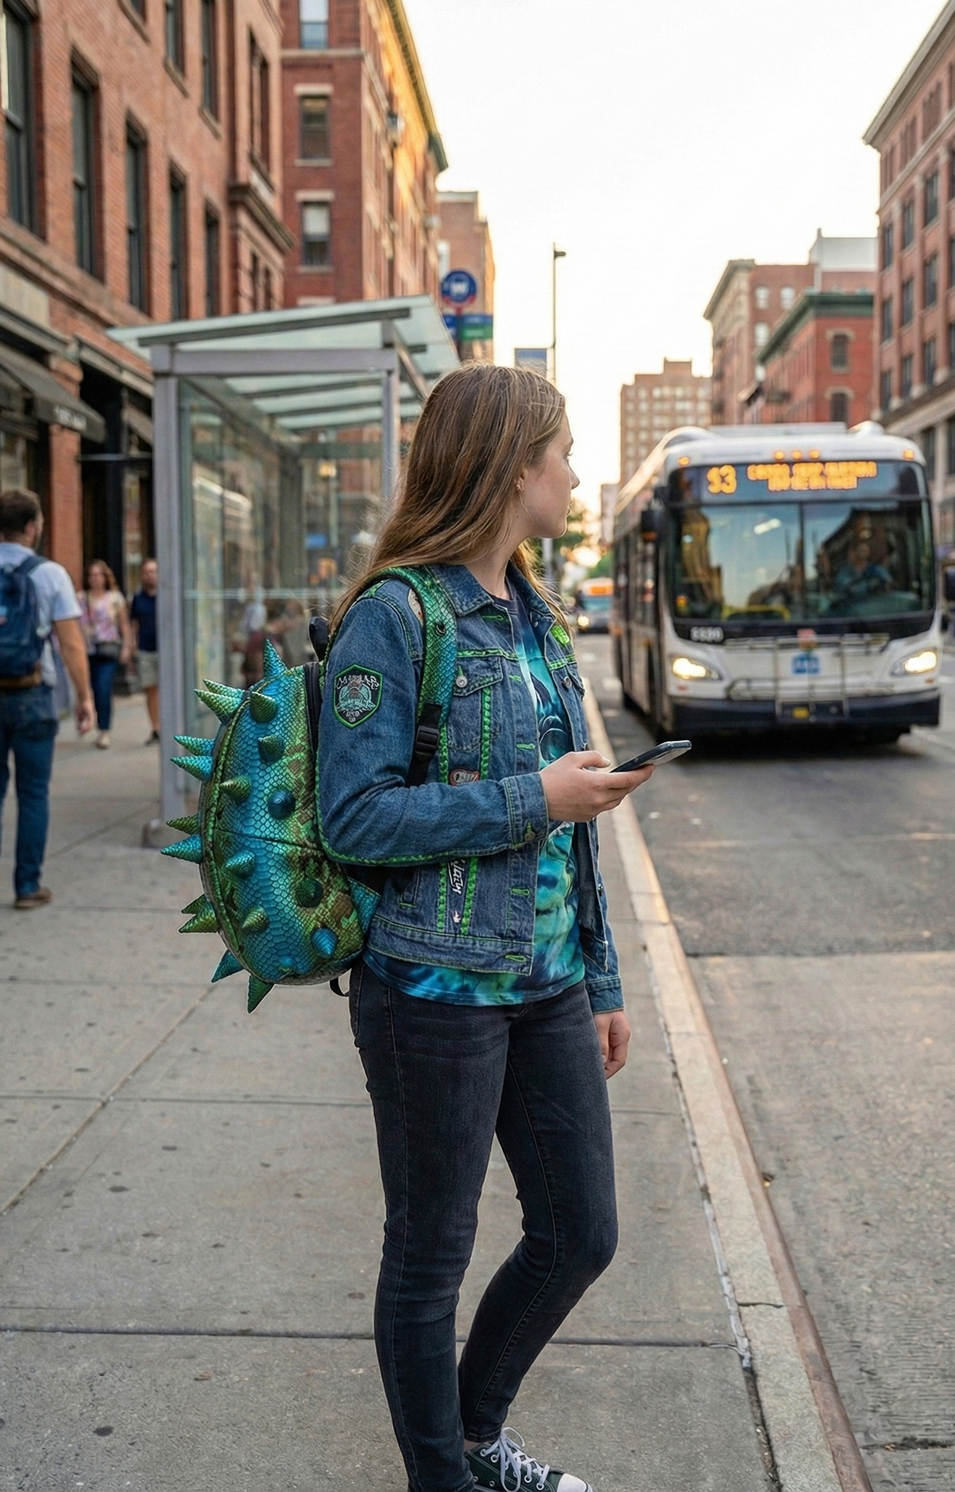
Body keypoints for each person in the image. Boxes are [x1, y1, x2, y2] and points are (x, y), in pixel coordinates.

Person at [317, 365, 654, 1492]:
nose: (571, 471)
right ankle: (444, 1477)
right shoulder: (395, 614)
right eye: (559, 450)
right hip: (432, 991)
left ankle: (466, 1435)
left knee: (581, 1231)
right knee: (430, 1254)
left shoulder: (536, 615)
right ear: (510, 465)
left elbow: (576, 824)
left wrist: (601, 977)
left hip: (548, 978)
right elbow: (352, 816)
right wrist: (532, 798)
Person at [0, 488, 94, 908]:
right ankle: (26, 886)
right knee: (33, 792)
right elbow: (72, 644)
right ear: (33, 527)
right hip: (33, 694)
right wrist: (85, 697)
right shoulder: (50, 574)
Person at [79, 559, 131, 749]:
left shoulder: (115, 598)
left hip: (108, 650)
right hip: (87, 651)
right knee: (90, 689)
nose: (95, 579)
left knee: (103, 689)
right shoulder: (81, 598)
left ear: (105, 576)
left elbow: (124, 625)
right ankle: (91, 720)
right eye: (91, 575)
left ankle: (104, 730)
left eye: (98, 574)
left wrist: (127, 647)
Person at [129, 558, 159, 744]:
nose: (150, 575)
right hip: (146, 649)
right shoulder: (138, 598)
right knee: (150, 689)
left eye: (153, 571)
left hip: (165, 650)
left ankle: (168, 725)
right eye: (146, 572)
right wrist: (131, 645)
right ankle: (156, 728)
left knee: (165, 690)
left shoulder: (165, 597)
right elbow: (134, 623)